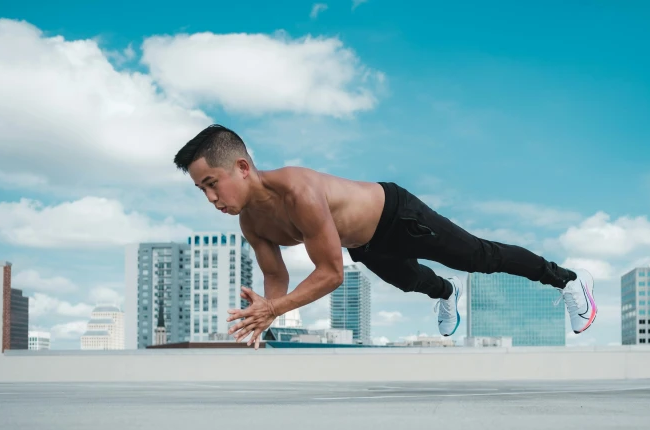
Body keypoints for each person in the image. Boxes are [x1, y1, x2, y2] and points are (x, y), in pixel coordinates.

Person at [174, 124, 597, 349]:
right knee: (411, 281)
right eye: (202, 190)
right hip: (364, 243)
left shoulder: (299, 191)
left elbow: (329, 273)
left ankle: (568, 280)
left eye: (212, 183)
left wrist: (274, 308)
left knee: (478, 257)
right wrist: (264, 315)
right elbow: (275, 277)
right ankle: (446, 292)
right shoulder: (251, 222)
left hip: (397, 215)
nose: (211, 198)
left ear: (243, 167)